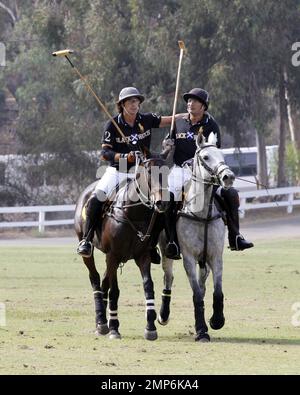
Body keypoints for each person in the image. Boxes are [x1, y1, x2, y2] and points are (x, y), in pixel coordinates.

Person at [77, 86, 183, 262]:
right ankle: (86, 240)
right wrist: (125, 156)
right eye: (131, 102)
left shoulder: (146, 120)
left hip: (142, 172)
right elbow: (104, 154)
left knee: (162, 199)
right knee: (97, 198)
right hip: (118, 170)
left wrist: (187, 116)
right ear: (122, 105)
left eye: (137, 101)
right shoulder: (112, 125)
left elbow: (169, 120)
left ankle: (155, 244)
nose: (135, 105)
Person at [163, 88, 254, 259]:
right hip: (181, 170)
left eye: (195, 101)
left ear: (204, 106)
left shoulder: (211, 125)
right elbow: (168, 148)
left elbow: (214, 153)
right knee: (168, 198)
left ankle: (235, 236)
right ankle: (172, 242)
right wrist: (167, 145)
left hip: (205, 172)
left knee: (231, 194)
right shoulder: (179, 122)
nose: (190, 103)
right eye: (188, 101)